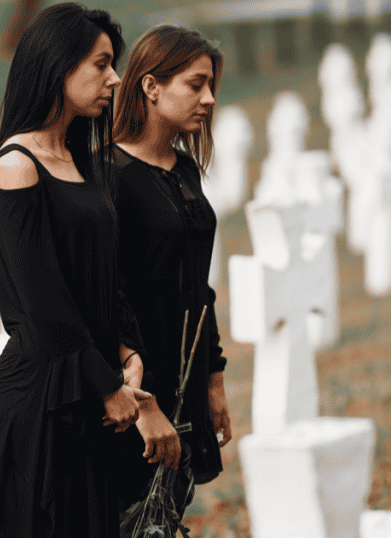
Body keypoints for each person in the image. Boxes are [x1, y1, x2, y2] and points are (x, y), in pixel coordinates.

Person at [0, 4, 152, 537]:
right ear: (56, 67)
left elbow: (104, 277)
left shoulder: (79, 158)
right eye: (101, 64)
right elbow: (45, 303)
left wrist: (129, 353)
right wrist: (107, 386)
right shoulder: (17, 167)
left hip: (92, 387)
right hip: (43, 397)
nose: (115, 78)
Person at [109, 25, 233, 517]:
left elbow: (196, 284)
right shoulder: (109, 176)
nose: (208, 99)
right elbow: (109, 298)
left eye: (211, 88)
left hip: (188, 375)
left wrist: (214, 378)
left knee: (167, 515)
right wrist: (143, 402)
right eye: (195, 84)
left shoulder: (184, 170)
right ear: (151, 86)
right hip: (137, 387)